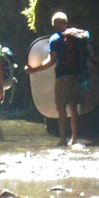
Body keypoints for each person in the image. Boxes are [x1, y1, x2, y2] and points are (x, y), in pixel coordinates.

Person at [24, 11, 91, 146]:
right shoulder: (76, 37)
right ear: (66, 23)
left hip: (63, 76)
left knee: (61, 108)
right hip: (76, 75)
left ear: (54, 24)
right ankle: (74, 137)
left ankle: (62, 139)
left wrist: (34, 70)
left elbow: (51, 60)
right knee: (73, 107)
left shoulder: (55, 38)